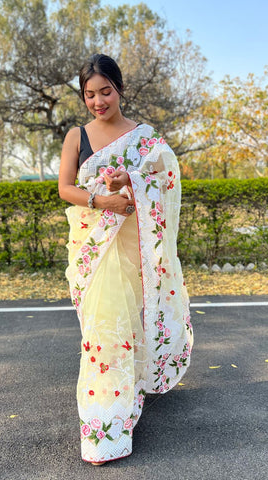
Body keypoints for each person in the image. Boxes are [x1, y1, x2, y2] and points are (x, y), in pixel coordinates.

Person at [58, 53, 193, 465]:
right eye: (90, 95)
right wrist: (104, 199)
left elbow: (167, 180)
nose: (98, 102)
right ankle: (105, 419)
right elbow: (65, 188)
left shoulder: (145, 137)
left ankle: (118, 410)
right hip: (94, 249)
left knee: (128, 324)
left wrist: (131, 181)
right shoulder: (76, 136)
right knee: (101, 331)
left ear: (119, 89)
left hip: (137, 252)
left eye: (105, 91)